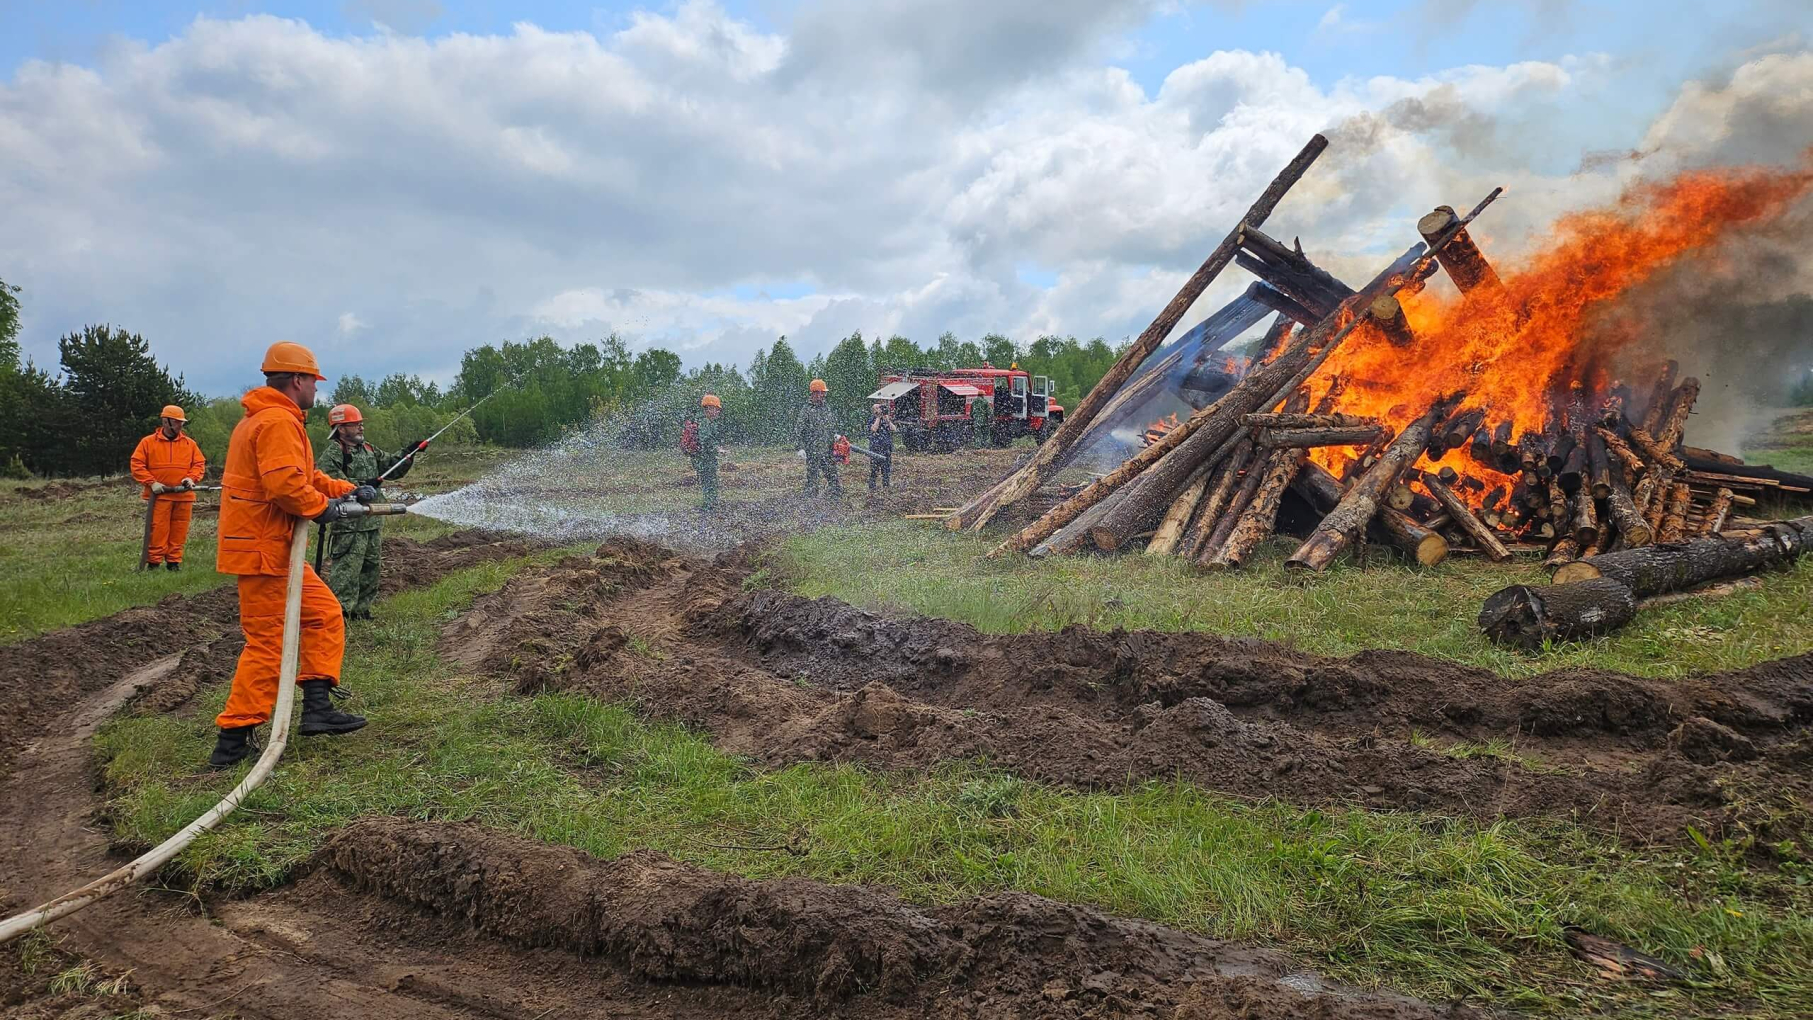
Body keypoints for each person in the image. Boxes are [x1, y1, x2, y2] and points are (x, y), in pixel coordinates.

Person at [209, 342, 374, 770]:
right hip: (264, 550)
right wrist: (321, 509)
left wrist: (347, 490)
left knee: (322, 615)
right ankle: (233, 740)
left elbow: (307, 476)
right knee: (267, 643)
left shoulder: (274, 420)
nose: (317, 392)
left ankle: (317, 707)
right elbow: (285, 486)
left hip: (276, 548)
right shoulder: (277, 421)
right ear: (298, 380)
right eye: (314, 383)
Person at [316, 403, 422, 621]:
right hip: (349, 524)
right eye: (356, 424)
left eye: (361, 424)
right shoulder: (334, 453)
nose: (361, 428)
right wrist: (360, 486)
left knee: (371, 567)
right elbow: (329, 482)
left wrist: (409, 454)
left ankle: (361, 611)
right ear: (341, 428)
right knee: (347, 568)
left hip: (372, 520)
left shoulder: (369, 450)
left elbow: (393, 467)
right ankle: (340, 614)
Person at [129, 404, 207, 570]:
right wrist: (152, 482)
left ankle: (173, 563)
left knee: (179, 530)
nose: (180, 425)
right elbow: (137, 464)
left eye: (181, 422)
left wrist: (191, 478)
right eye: (177, 422)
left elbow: (199, 464)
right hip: (160, 496)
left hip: (183, 496)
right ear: (166, 422)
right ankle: (154, 563)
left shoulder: (189, 444)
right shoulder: (148, 443)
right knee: (158, 530)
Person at [796, 378, 842, 499]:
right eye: (820, 393)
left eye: (823, 393)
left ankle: (835, 501)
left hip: (827, 450)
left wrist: (835, 435)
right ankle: (809, 503)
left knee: (833, 476)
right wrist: (800, 448)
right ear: (814, 393)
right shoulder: (806, 410)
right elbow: (799, 431)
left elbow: (831, 425)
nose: (822, 395)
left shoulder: (826, 408)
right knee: (812, 479)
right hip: (813, 451)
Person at [687, 393, 725, 512]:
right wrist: (717, 449)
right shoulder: (704, 422)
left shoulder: (705, 421)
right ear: (708, 408)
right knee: (709, 482)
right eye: (716, 409)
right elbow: (706, 440)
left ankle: (711, 503)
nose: (718, 412)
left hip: (704, 458)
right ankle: (709, 506)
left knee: (709, 481)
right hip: (704, 459)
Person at [866, 402, 897, 491]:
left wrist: (887, 419)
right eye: (877, 408)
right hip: (875, 448)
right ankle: (872, 488)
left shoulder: (885, 419)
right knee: (874, 470)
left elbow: (893, 429)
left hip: (886, 449)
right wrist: (878, 418)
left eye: (880, 408)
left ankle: (886, 487)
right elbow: (873, 429)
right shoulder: (871, 419)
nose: (879, 410)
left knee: (886, 470)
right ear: (874, 411)